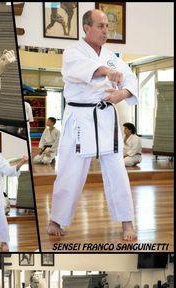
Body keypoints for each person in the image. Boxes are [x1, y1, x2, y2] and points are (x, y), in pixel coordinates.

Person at [47, 9, 138, 241]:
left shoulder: (111, 55)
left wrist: (122, 94)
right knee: (70, 171)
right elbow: (82, 71)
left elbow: (129, 79)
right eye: (100, 26)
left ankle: (127, 221)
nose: (106, 30)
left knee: (118, 171)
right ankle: (56, 219)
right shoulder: (73, 51)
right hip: (79, 118)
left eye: (107, 26)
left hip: (106, 117)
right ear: (86, 27)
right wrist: (108, 72)